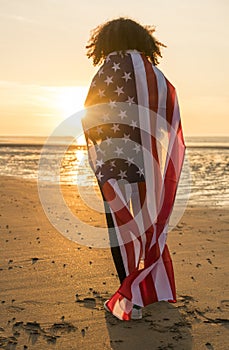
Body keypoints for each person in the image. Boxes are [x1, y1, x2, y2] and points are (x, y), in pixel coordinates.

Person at [82, 17, 185, 321]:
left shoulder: (107, 70)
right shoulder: (154, 74)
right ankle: (149, 289)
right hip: (147, 162)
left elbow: (89, 113)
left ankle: (130, 295)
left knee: (120, 227)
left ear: (105, 42)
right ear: (144, 40)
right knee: (147, 224)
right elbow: (168, 113)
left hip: (113, 158)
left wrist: (99, 145)